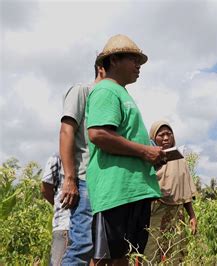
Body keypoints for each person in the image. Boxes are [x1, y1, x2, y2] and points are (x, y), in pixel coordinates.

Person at [86, 34, 164, 265]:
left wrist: (150, 157)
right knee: (104, 257)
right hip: (116, 191)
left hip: (133, 190)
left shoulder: (122, 93)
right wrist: (144, 152)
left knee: (124, 255)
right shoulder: (106, 91)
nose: (138, 65)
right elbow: (98, 134)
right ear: (114, 60)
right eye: (133, 59)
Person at [59, 62, 105, 264]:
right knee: (82, 246)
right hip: (84, 180)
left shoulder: (109, 101)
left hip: (104, 185)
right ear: (102, 68)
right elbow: (66, 131)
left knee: (101, 249)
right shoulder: (82, 92)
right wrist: (70, 179)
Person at [144, 120, 198, 262]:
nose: (166, 138)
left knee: (176, 252)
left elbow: (185, 190)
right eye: (161, 135)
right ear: (153, 139)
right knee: (152, 251)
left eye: (169, 134)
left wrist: (192, 215)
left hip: (177, 213)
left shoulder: (180, 159)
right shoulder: (148, 158)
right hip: (156, 210)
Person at [40, 153, 70, 266]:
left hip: (86, 225)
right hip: (64, 223)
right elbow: (45, 188)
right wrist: (60, 204)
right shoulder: (57, 158)